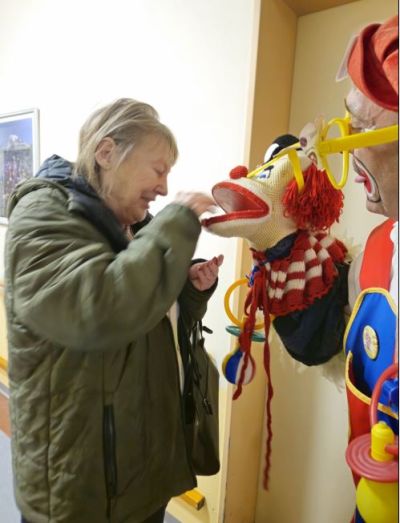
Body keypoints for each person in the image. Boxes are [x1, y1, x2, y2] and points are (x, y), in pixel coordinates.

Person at [4, 98, 223, 523]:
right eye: (158, 170)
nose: (164, 188)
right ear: (106, 152)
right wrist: (178, 219)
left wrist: (188, 292)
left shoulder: (136, 225)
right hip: (80, 483)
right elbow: (101, 310)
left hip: (141, 469)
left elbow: (148, 319)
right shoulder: (41, 215)